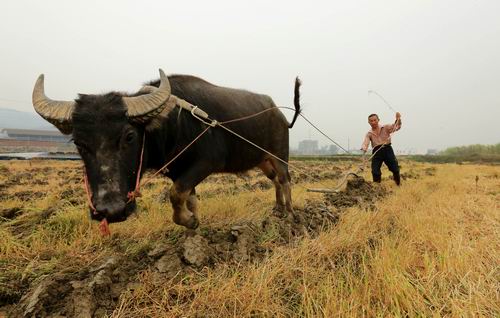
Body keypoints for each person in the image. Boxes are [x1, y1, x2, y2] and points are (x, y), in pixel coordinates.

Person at [360, 112, 402, 185]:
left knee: (395, 168)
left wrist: (398, 119)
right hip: (377, 152)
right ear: (368, 122)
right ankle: (377, 187)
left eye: (375, 120)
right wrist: (363, 149)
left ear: (378, 120)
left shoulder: (386, 127)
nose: (373, 122)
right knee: (375, 171)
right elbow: (365, 143)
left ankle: (398, 184)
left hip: (387, 149)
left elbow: (396, 127)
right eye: (371, 121)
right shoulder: (369, 133)